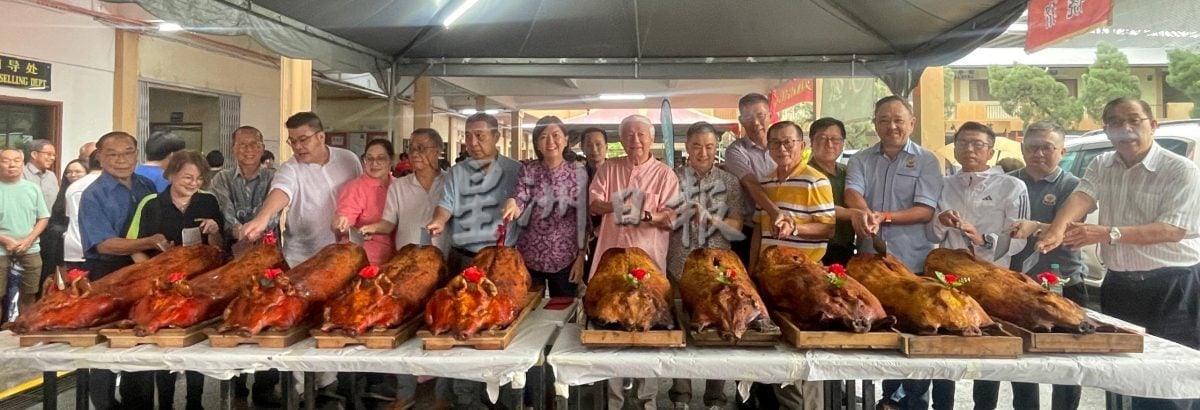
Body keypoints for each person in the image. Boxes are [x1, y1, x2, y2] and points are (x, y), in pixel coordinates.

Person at [1036, 98, 1200, 409]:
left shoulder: (1181, 169)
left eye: (1133, 120)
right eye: (1114, 122)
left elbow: (1174, 229)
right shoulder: (1101, 164)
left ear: (1152, 125)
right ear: (1106, 130)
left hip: (1174, 286)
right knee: (1120, 375)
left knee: (1171, 381)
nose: (1124, 129)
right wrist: (1058, 228)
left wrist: (1109, 233)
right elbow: (1082, 196)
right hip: (1120, 286)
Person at [240, 112, 362, 403]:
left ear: (321, 136)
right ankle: (299, 391)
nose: (298, 147)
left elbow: (363, 193)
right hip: (303, 258)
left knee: (335, 321)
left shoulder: (348, 160)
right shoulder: (290, 168)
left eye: (303, 139)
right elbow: (281, 192)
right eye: (292, 141)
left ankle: (328, 385)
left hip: (344, 258)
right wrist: (263, 217)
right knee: (297, 322)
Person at [975, 122, 1086, 410]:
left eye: (1047, 147)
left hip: (1062, 286)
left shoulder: (1074, 187)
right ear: (1022, 149)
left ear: (1062, 151)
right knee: (1016, 360)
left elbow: (1076, 232)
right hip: (1011, 287)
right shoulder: (1006, 183)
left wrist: (1036, 228)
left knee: (1068, 364)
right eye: (1032, 147)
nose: (1038, 153)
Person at [846, 96, 944, 410]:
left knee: (918, 330)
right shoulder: (861, 159)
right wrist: (863, 214)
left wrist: (882, 217)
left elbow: (926, 210)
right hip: (872, 265)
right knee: (884, 328)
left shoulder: (927, 160)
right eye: (884, 120)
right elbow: (852, 192)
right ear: (875, 124)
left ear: (911, 123)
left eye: (898, 119)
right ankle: (888, 398)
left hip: (912, 262)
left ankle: (915, 401)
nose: (892, 126)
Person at [425, 113, 522, 409]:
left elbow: (525, 205)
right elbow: (446, 205)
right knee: (461, 328)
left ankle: (503, 397)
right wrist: (439, 222)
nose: (473, 142)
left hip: (499, 263)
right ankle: (465, 398)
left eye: (480, 135)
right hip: (464, 260)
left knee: (498, 327)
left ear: (496, 137)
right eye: (468, 136)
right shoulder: (457, 172)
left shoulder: (516, 171)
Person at [589, 114, 678, 410]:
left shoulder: (665, 174)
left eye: (641, 135)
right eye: (628, 135)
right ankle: (613, 402)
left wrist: (646, 215)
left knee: (649, 328)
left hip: (650, 263)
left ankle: (646, 401)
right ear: (621, 140)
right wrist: (616, 205)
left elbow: (672, 218)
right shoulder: (608, 168)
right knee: (609, 326)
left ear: (651, 139)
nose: (635, 141)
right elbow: (594, 203)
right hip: (611, 263)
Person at [125, 150, 223, 410]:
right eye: (187, 176)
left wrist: (214, 231)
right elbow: (132, 245)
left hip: (199, 286)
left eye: (199, 178)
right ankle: (165, 403)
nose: (193, 183)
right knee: (164, 344)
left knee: (196, 343)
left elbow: (221, 247)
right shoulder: (151, 203)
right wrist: (153, 275)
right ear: (170, 175)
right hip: (162, 286)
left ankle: (195, 402)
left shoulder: (208, 202)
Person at [359, 128, 447, 407]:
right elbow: (389, 222)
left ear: (438, 152)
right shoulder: (399, 186)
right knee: (402, 328)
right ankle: (405, 394)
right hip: (406, 269)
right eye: (412, 148)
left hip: (443, 264)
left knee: (443, 327)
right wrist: (373, 227)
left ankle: (442, 396)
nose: (416, 154)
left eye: (423, 148)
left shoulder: (450, 183)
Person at [79, 131, 166, 409]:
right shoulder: (93, 194)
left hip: (143, 273)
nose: (121, 160)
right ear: (100, 157)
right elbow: (103, 244)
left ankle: (138, 403)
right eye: (113, 154)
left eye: (127, 152)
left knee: (140, 337)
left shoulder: (146, 186)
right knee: (105, 342)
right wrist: (148, 242)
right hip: (107, 274)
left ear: (136, 153)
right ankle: (104, 405)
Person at [752, 121, 834, 410]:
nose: (782, 148)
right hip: (770, 280)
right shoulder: (765, 182)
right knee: (777, 355)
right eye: (775, 143)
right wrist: (753, 272)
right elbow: (759, 232)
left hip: (805, 282)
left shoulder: (815, 180)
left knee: (808, 356)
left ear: (802, 145)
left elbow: (827, 229)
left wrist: (795, 227)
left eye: (789, 142)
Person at [665, 122, 746, 410]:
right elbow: (661, 221)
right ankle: (680, 395)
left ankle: (714, 397)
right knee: (680, 330)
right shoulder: (671, 179)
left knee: (719, 328)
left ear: (717, 148)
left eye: (709, 146)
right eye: (697, 146)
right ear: (687, 147)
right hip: (678, 263)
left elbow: (737, 224)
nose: (703, 152)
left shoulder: (730, 182)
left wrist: (711, 219)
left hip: (717, 268)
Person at [208, 126, 280, 405]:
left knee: (269, 318)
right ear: (233, 148)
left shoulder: (276, 178)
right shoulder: (222, 179)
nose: (248, 150)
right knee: (234, 316)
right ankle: (236, 386)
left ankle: (266, 385)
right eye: (242, 145)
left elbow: (273, 215)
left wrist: (256, 228)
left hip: (268, 260)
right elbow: (225, 213)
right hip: (233, 258)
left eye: (254, 144)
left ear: (262, 147)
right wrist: (241, 231)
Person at [501, 116, 587, 297]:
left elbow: (583, 221)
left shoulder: (577, 173)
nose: (550, 141)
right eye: (543, 137)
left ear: (565, 140)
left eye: (556, 135)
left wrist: (580, 259)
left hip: (565, 258)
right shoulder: (528, 170)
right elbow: (520, 198)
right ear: (537, 144)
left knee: (562, 313)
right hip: (529, 257)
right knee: (528, 312)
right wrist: (512, 205)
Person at [927, 122, 1029, 267]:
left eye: (978, 144)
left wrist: (983, 239)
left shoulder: (1012, 186)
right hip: (950, 271)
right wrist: (940, 222)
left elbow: (1018, 240)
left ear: (991, 153)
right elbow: (932, 236)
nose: (969, 149)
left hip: (991, 272)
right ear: (955, 151)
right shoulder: (943, 185)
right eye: (962, 143)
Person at [0, 147, 49, 321]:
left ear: (22, 163)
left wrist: (29, 240)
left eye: (16, 161)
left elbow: (43, 217)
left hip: (30, 247)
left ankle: (23, 330)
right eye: (5, 161)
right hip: (1, 249)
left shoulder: (32, 188)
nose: (11, 165)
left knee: (30, 293)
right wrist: (5, 239)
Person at [334, 139, 395, 265]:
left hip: (397, 258)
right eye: (369, 158)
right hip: (363, 260)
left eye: (381, 158)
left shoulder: (399, 185)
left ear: (391, 160)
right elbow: (344, 222)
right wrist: (342, 225)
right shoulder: (355, 188)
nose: (374, 163)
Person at [807, 118, 857, 265]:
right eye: (822, 139)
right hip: (818, 250)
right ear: (811, 142)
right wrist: (855, 214)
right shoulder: (804, 174)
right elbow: (820, 210)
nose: (829, 144)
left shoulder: (848, 172)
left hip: (846, 245)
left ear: (843, 143)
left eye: (835, 139)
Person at [38, 159, 87, 297]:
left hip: (81, 246)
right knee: (61, 285)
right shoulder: (63, 193)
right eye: (69, 172)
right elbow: (54, 219)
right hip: (60, 246)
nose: (73, 175)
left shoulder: (92, 192)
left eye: (78, 171)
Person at [63, 152, 101, 273]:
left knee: (75, 287)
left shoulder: (73, 187)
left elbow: (70, 215)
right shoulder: (105, 185)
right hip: (98, 246)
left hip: (73, 244)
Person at [581, 127, 608, 278]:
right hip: (584, 240)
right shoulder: (577, 176)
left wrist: (597, 231)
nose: (594, 149)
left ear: (606, 147)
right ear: (582, 148)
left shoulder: (616, 175)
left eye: (599, 144)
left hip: (609, 237)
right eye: (589, 145)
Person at [23, 139, 58, 210]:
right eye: (48, 154)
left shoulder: (51, 176)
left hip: (49, 219)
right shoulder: (21, 174)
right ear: (34, 154)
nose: (52, 158)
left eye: (54, 155)